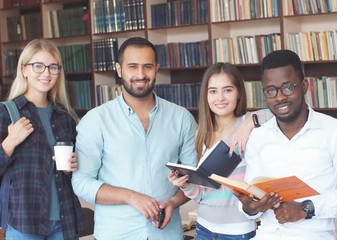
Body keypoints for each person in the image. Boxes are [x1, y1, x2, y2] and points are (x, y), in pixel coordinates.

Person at [71, 37, 198, 240]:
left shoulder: (181, 118)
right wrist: (130, 197)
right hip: (115, 234)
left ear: (156, 68)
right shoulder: (96, 120)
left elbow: (194, 179)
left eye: (147, 66)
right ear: (119, 70)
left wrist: (173, 203)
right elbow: (81, 183)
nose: (141, 74)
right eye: (133, 67)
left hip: (167, 234)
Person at [233, 49, 337, 240]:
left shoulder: (336, 133)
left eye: (288, 87)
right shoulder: (258, 137)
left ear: (304, 86)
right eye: (271, 90)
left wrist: (306, 208)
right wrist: (249, 208)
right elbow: (251, 195)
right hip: (266, 235)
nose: (280, 97)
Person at [168, 62, 272, 239]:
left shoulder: (250, 125)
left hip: (238, 231)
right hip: (204, 228)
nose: (220, 98)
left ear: (239, 92)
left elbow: (278, 112)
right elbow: (202, 195)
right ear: (206, 95)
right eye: (213, 91)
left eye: (228, 90)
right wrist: (185, 185)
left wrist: (249, 122)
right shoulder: (202, 134)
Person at [0, 39, 86, 239]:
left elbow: (79, 173)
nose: (46, 73)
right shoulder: (6, 113)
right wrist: (9, 143)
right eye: (38, 66)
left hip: (64, 221)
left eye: (53, 67)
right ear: (24, 70)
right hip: (24, 222)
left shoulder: (65, 117)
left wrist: (72, 167)